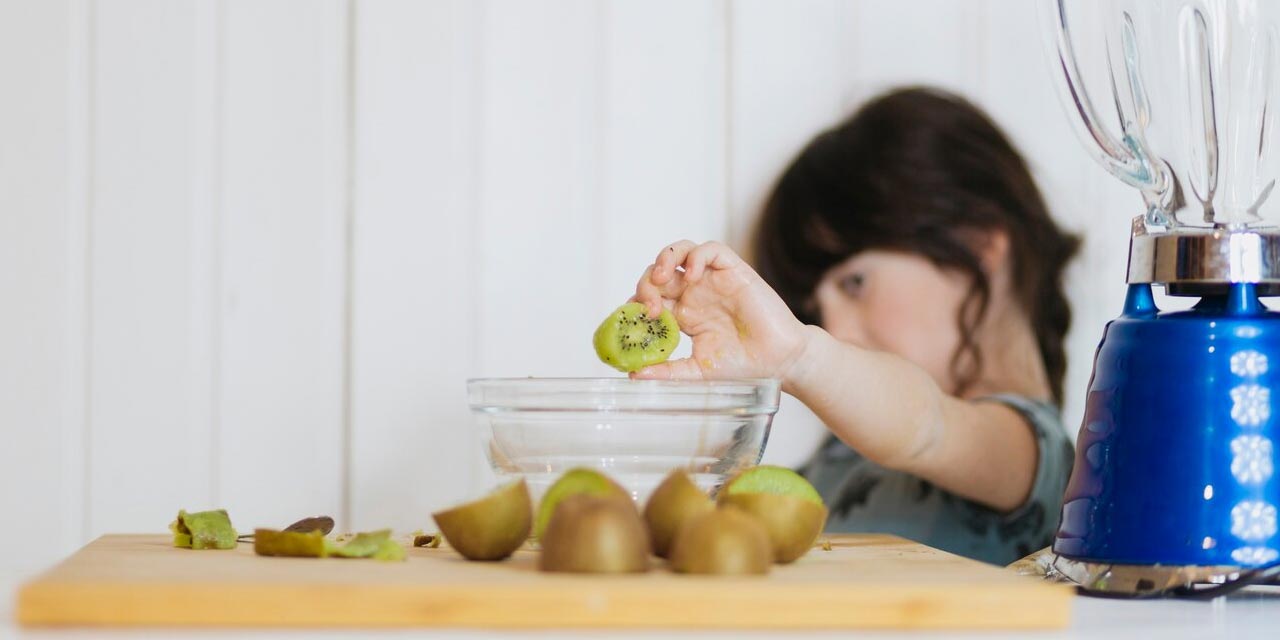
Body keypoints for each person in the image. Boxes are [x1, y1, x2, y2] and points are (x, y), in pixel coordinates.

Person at [630, 87, 1079, 565]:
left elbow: (926, 426)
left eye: (855, 282)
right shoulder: (838, 462)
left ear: (979, 245)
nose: (834, 329)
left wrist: (800, 355)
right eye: (814, 311)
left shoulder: (1030, 453)